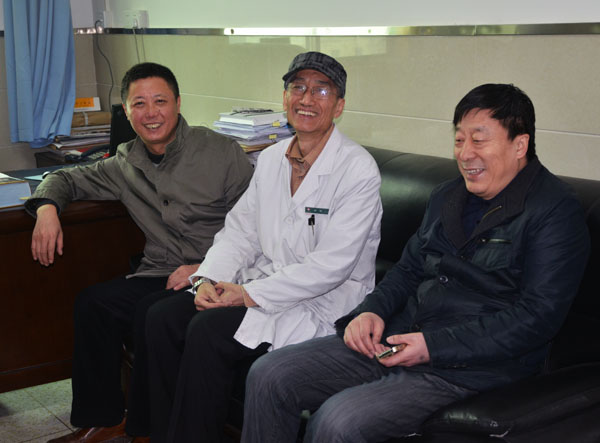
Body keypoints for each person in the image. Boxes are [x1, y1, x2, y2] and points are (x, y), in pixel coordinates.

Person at [241, 83, 591, 443]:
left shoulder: (554, 212)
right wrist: (371, 311)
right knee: (270, 375)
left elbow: (536, 317)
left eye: (479, 140)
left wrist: (432, 346)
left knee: (338, 421)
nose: (465, 154)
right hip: (397, 341)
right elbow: (408, 269)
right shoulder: (447, 196)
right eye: (459, 140)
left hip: (471, 371)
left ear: (520, 145)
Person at [144, 51, 383, 442]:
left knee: (208, 330)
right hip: (265, 286)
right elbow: (240, 232)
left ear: (339, 106)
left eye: (321, 90)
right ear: (285, 98)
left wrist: (246, 294)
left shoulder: (357, 170)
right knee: (163, 316)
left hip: (321, 304)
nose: (307, 99)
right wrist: (208, 279)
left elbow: (330, 268)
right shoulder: (271, 159)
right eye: (298, 87)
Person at [25, 62, 254, 443]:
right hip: (159, 271)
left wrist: (204, 267)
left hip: (218, 274)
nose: (151, 113)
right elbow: (63, 178)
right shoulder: (124, 162)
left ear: (178, 103)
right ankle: (103, 419)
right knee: (93, 304)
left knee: (152, 313)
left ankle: (146, 430)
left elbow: (256, 229)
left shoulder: (221, 152)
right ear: (128, 113)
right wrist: (47, 209)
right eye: (139, 104)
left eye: (160, 101)